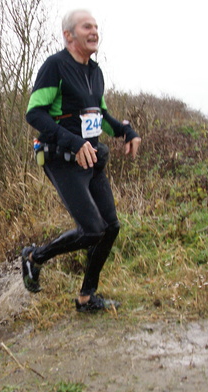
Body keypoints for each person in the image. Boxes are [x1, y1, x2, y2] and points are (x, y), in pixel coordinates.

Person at [22, 9, 142, 313]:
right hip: (61, 158)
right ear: (69, 35)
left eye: (96, 27)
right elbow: (34, 113)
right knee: (91, 229)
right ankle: (35, 257)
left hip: (92, 160)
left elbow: (98, 117)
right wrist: (73, 142)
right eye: (87, 26)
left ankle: (87, 297)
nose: (94, 31)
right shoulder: (55, 66)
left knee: (110, 227)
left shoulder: (95, 72)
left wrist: (125, 131)